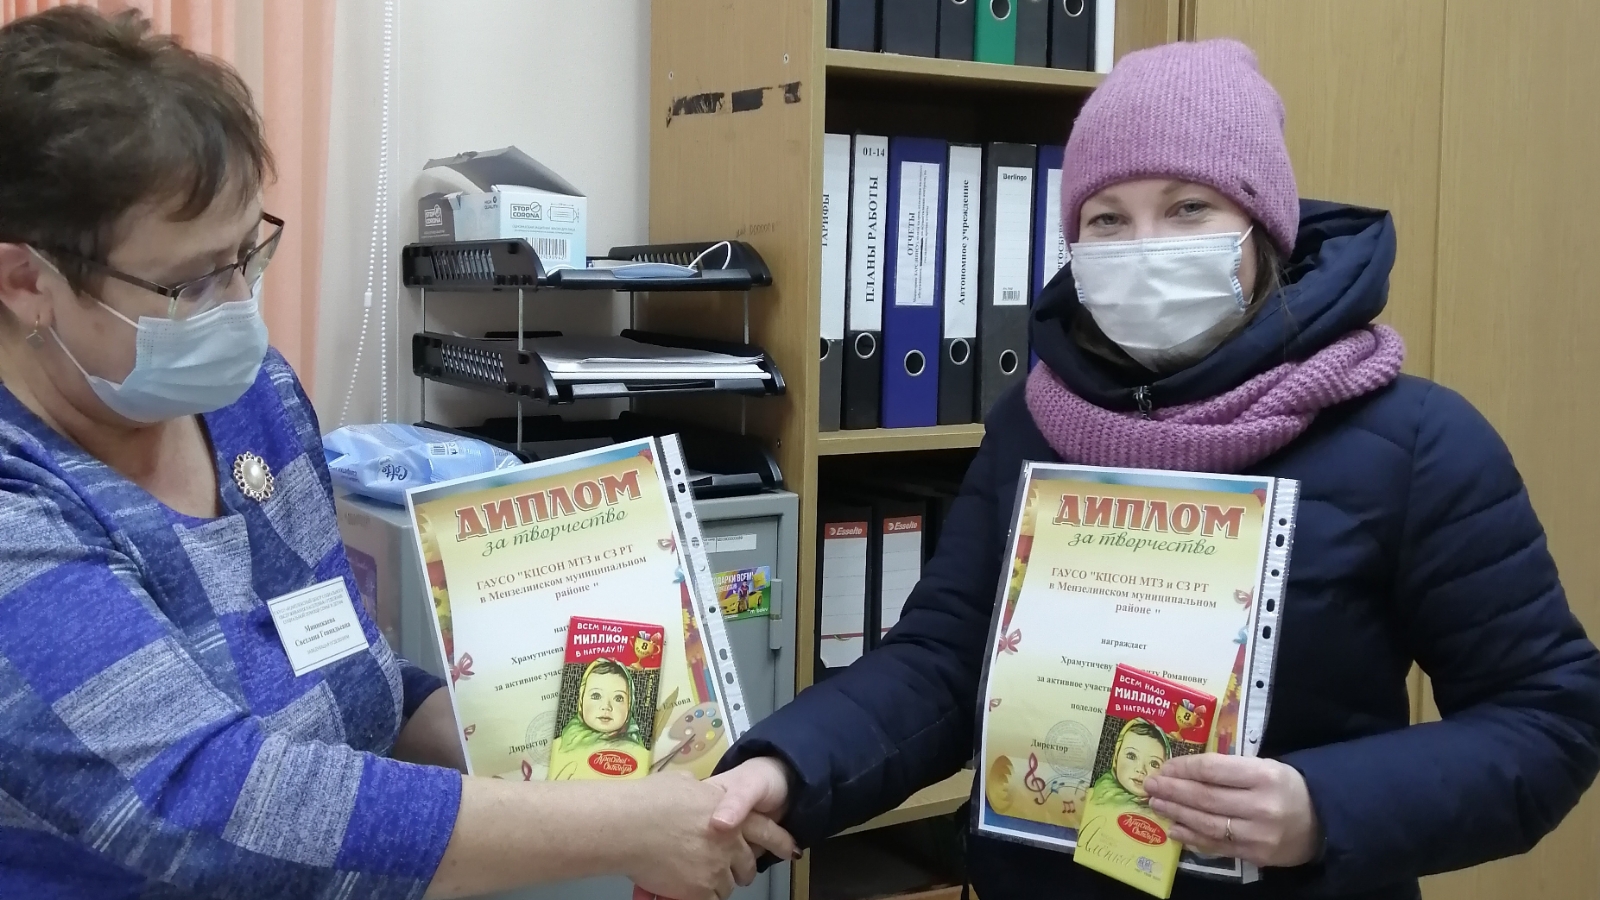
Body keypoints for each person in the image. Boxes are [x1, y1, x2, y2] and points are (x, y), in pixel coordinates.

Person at [711, 39, 1600, 899]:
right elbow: (944, 663)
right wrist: (787, 766)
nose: (1144, 246)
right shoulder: (1035, 423)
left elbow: (1549, 718)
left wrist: (1322, 808)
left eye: (1188, 209)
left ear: (1261, 228)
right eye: (1108, 219)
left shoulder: (1416, 440)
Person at [0, 8, 792, 900]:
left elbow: (351, 679)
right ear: (27, 282)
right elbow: (207, 801)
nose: (240, 309)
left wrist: (572, 748)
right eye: (193, 281)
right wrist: (623, 827)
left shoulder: (250, 396)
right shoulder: (17, 503)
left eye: (246, 255)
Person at [550, 659, 654, 780]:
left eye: (618, 698)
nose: (606, 706)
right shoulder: (561, 744)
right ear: (581, 699)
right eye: (596, 696)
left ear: (630, 704)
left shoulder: (638, 753)